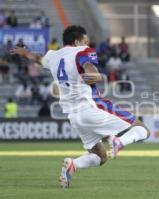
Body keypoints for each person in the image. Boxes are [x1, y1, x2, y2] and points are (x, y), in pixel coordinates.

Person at [11, 25, 150, 188]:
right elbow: (90, 69)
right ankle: (119, 142)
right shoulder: (83, 51)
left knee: (100, 157)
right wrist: (95, 75)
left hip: (74, 116)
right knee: (142, 129)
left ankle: (73, 165)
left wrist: (25, 52)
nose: (87, 43)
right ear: (77, 41)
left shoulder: (54, 56)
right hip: (91, 106)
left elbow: (38, 58)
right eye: (85, 40)